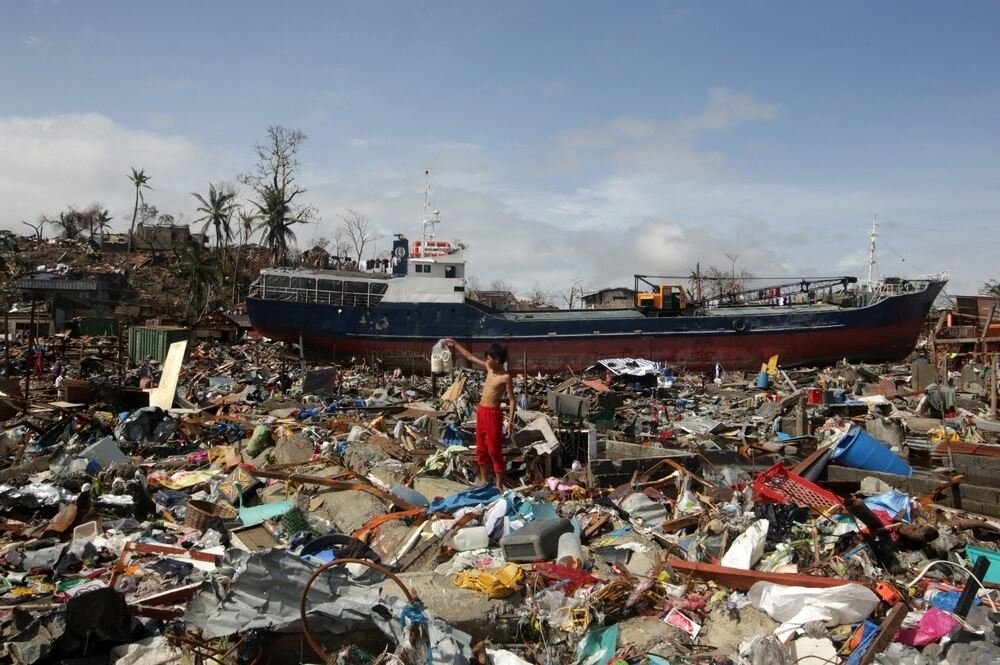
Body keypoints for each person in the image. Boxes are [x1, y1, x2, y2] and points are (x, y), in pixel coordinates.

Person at [443, 339, 515, 489]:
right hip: (482, 411)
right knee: (481, 448)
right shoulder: (489, 368)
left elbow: (512, 400)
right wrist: (455, 345)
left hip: (493, 414)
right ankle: (484, 480)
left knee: (494, 450)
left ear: (496, 359)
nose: (486, 360)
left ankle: (499, 485)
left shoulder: (505, 377)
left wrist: (511, 422)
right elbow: (470, 357)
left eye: (489, 357)